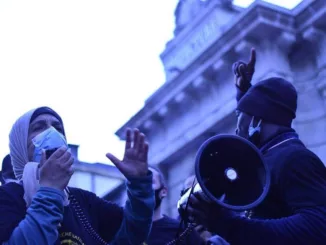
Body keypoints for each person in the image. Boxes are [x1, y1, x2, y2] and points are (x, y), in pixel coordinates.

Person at [187, 49, 326, 245]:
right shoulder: (268, 156)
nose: (236, 130)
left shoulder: (295, 159)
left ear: (256, 122)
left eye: (239, 119)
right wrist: (245, 94)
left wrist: (226, 223)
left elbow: (318, 226)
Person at [0, 106, 155, 245]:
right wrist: (50, 191)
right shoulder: (7, 197)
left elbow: (133, 233)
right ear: (19, 145)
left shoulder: (83, 201)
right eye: (39, 127)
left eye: (58, 127)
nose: (52, 132)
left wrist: (139, 185)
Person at [143, 166, 203, 245]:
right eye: (138, 182)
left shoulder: (182, 231)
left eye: (150, 181)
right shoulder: (124, 228)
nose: (142, 186)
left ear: (163, 192)